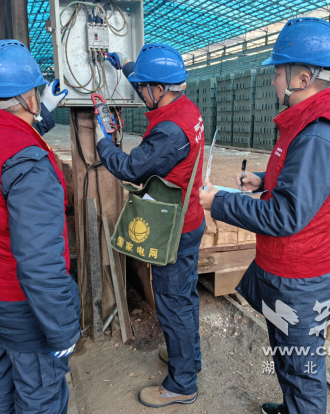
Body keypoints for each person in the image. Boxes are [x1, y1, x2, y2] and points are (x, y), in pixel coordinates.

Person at [199, 18, 330, 414]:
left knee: (302, 367)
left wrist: (218, 202)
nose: (273, 80)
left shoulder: (318, 134)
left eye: (278, 72)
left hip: (300, 278)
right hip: (288, 269)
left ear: (302, 78)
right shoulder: (308, 122)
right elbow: (303, 181)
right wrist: (263, 179)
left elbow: (286, 214)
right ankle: (291, 407)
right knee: (286, 352)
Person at [0, 39, 80, 414]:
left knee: (1, 377)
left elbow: (2, 142)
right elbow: (40, 263)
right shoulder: (30, 167)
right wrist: (63, 329)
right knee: (39, 394)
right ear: (28, 97)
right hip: (24, 306)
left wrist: (43, 114)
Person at [101, 43, 205, 408]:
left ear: (159, 89)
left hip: (174, 229)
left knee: (173, 305)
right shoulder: (185, 107)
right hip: (190, 220)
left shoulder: (170, 132)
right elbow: (147, 83)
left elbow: (132, 168)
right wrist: (126, 66)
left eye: (144, 87)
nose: (141, 93)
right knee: (185, 298)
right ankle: (188, 358)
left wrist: (102, 142)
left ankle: (182, 384)